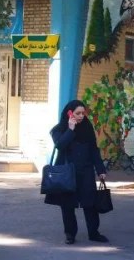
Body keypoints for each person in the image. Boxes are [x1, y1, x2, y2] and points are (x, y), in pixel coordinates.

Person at [44, 100, 109, 245]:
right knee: (67, 204)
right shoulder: (58, 129)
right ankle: (70, 234)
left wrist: (100, 169)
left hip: (86, 171)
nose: (81, 116)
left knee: (90, 203)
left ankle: (94, 232)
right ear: (69, 113)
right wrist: (70, 129)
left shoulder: (87, 127)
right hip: (67, 172)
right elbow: (60, 145)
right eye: (77, 113)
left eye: (82, 113)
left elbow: (94, 150)